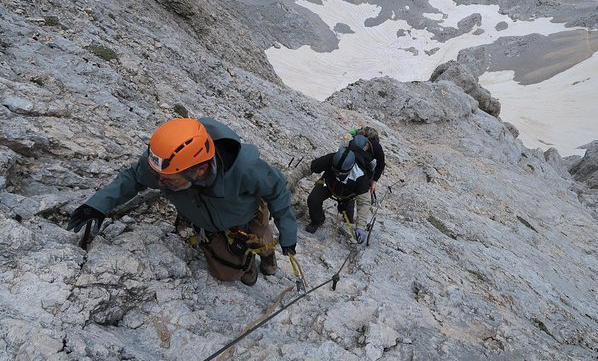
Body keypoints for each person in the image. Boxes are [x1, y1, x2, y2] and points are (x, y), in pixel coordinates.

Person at [66, 117, 297, 287]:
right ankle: (245, 264)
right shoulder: (166, 167)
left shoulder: (246, 169)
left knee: (262, 239)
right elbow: (134, 177)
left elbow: (277, 191)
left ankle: (267, 256)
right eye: (159, 178)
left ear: (200, 170)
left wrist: (288, 234)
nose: (160, 184)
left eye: (169, 181)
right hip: (208, 220)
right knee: (227, 273)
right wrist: (98, 205)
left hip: (245, 214)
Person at [303, 146, 372, 243]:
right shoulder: (330, 159)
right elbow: (306, 168)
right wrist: (289, 183)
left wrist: (360, 226)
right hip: (328, 184)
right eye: (335, 171)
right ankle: (317, 220)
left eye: (340, 173)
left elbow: (364, 203)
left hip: (348, 194)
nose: (337, 174)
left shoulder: (361, 177)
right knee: (313, 199)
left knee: (349, 218)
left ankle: (349, 221)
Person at [350, 126, 385, 195]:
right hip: (364, 173)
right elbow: (381, 164)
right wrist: (374, 181)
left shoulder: (354, 141)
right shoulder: (376, 146)